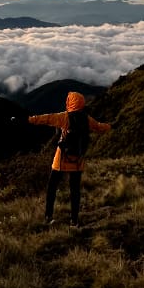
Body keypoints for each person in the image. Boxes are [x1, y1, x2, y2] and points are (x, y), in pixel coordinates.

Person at [28, 91, 110, 227]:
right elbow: (99, 127)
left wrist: (28, 119)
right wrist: (110, 126)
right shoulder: (87, 119)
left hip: (61, 160)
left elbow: (46, 118)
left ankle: (48, 217)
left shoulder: (64, 117)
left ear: (70, 102)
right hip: (77, 161)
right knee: (75, 191)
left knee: (52, 187)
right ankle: (74, 220)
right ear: (81, 103)